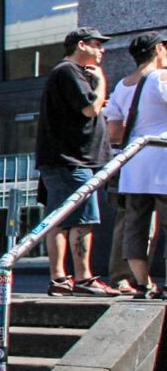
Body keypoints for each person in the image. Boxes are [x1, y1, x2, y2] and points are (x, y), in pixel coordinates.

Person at [35, 27, 116, 296]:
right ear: (81, 45)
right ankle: (82, 278)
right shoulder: (69, 71)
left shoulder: (66, 74)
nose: (101, 50)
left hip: (65, 160)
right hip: (71, 161)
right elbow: (90, 108)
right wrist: (102, 82)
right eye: (97, 44)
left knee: (58, 219)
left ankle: (60, 279)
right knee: (81, 220)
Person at [111, 32, 167, 298]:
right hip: (162, 161)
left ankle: (143, 284)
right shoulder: (161, 78)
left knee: (135, 225)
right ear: (157, 50)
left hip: (133, 164)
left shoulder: (121, 86)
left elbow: (113, 133)